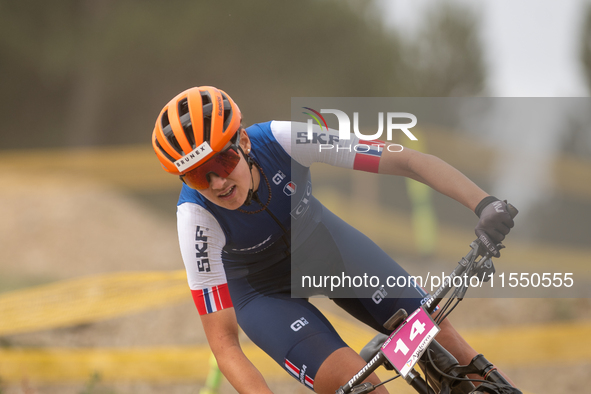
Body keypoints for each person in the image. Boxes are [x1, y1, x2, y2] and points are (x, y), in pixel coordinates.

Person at [151, 86, 515, 394]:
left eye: (225, 161)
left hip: (326, 248)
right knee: (360, 383)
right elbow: (225, 344)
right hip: (263, 294)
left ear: (243, 141)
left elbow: (405, 161)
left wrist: (483, 204)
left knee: (438, 338)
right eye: (198, 176)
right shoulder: (196, 219)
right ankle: (390, 355)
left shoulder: (284, 140)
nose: (217, 183)